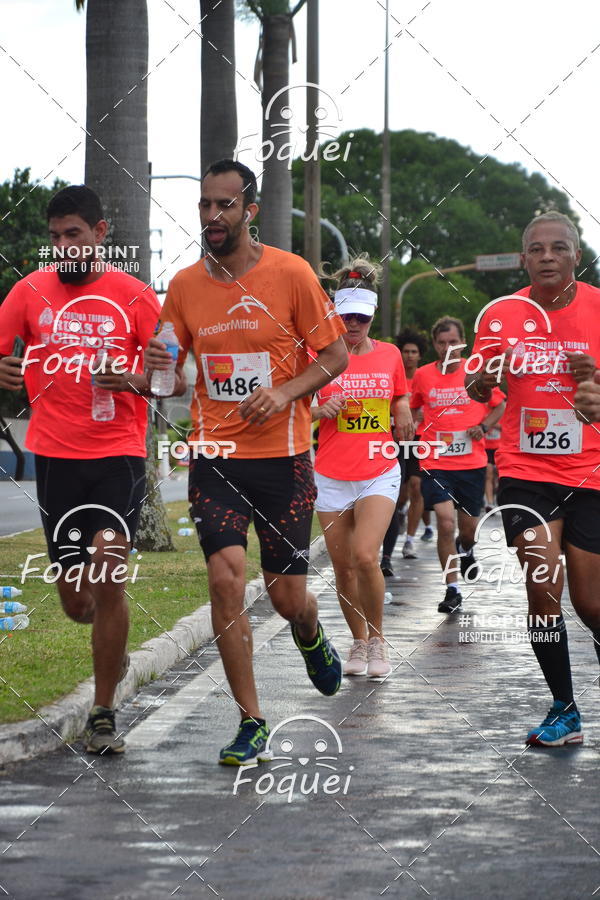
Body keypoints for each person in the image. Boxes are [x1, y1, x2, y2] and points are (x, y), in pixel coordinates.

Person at [146, 159, 348, 766]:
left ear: (249, 211)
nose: (212, 216)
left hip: (284, 461)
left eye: (225, 206)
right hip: (216, 458)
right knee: (225, 577)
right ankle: (251, 720)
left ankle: (310, 632)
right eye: (205, 205)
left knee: (287, 598)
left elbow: (335, 354)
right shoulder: (183, 285)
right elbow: (168, 377)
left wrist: (287, 392)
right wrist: (156, 368)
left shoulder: (291, 274)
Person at [0, 185, 168, 754]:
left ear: (100, 234)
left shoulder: (135, 296)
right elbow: (2, 353)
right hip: (55, 456)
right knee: (77, 601)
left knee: (109, 565)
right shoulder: (28, 293)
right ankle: (107, 639)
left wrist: (136, 380)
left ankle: (103, 712)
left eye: (74, 234)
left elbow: (173, 377)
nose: (63, 246)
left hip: (117, 452)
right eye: (55, 238)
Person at [468, 210, 600, 747]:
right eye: (537, 249)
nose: (548, 256)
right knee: (543, 583)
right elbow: (480, 386)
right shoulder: (502, 315)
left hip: (591, 467)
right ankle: (564, 709)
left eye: (559, 248)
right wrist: (483, 380)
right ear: (524, 259)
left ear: (576, 255)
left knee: (591, 603)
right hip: (525, 465)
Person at [311, 259, 413, 678]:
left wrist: (403, 412)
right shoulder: (318, 357)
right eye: (346, 315)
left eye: (361, 317)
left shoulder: (389, 355)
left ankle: (378, 640)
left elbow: (400, 397)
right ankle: (357, 641)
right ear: (335, 313)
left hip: (378, 469)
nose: (353, 324)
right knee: (343, 567)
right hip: (331, 473)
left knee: (366, 555)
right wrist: (320, 408)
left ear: (371, 317)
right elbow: (295, 409)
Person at [410, 316, 505, 614]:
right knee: (445, 522)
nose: (447, 348)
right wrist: (411, 424)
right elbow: (413, 407)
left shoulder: (476, 373)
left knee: (468, 529)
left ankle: (467, 550)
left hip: (471, 463)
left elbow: (500, 403)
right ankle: (452, 589)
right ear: (435, 344)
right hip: (435, 460)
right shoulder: (423, 375)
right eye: (441, 343)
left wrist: (484, 426)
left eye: (453, 342)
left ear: (462, 342)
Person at [483, 394, 505, 512]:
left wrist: (490, 423)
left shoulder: (501, 410)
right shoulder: (482, 409)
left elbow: (506, 427)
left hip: (499, 447)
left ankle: (499, 498)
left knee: (499, 475)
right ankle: (490, 503)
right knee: (488, 473)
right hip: (486, 448)